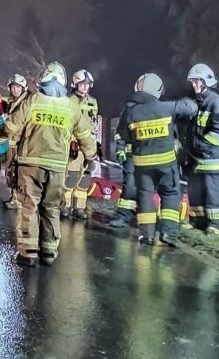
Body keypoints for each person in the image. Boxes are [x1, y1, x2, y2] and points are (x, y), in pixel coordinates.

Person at [0, 61, 96, 267]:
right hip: (57, 167)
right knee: (52, 208)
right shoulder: (71, 106)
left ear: (43, 78)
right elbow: (85, 136)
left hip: (30, 164)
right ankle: (48, 251)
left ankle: (28, 252)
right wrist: (91, 159)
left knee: (29, 207)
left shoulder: (32, 101)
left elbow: (11, 125)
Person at [115, 73, 197, 246]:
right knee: (170, 194)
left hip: (142, 165)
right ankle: (168, 234)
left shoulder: (131, 112)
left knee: (145, 196)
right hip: (166, 164)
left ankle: (147, 236)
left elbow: (124, 135)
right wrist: (185, 97)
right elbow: (190, 108)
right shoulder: (166, 107)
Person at [183, 63, 219, 234]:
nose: (195, 85)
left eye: (198, 81)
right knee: (195, 190)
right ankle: (197, 220)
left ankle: (214, 224)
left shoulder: (215, 102)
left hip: (211, 159)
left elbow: (217, 131)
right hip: (195, 158)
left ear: (206, 82)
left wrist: (202, 146)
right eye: (193, 81)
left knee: (212, 192)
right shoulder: (196, 103)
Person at [62, 69, 101, 221]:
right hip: (73, 146)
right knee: (70, 176)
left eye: (87, 84)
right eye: (82, 84)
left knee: (85, 178)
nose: (85, 87)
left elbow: (94, 123)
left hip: (88, 145)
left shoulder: (93, 101)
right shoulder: (68, 101)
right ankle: (65, 206)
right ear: (75, 84)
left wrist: (96, 144)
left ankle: (79, 208)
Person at [2, 73, 29, 209]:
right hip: (10, 143)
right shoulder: (10, 102)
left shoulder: (26, 103)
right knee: (10, 171)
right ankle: (14, 196)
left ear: (23, 88)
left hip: (20, 143)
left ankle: (18, 200)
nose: (15, 90)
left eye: (18, 87)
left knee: (18, 172)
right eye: (13, 87)